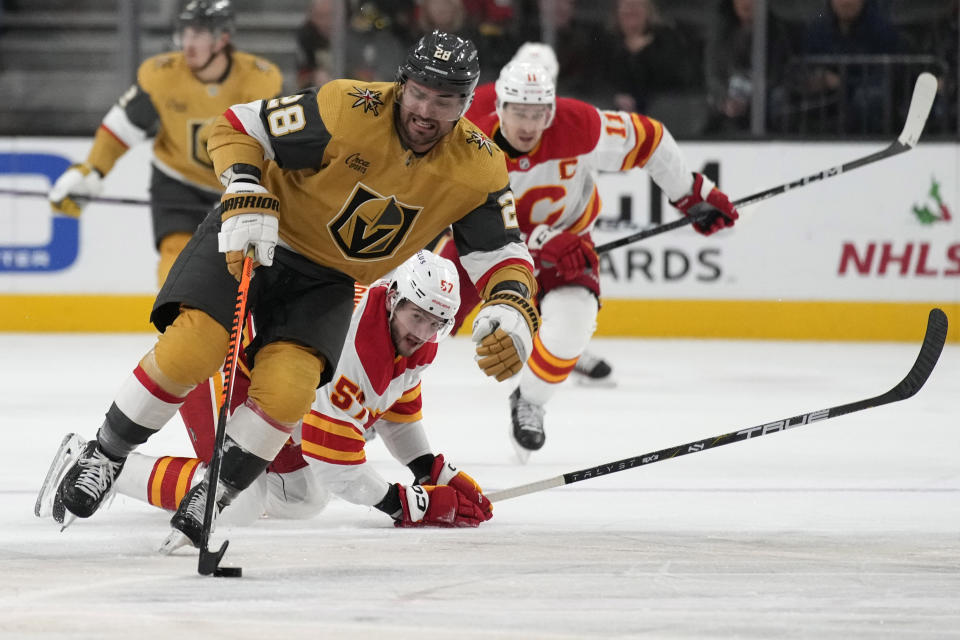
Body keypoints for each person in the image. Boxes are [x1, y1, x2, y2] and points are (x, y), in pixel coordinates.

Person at [47, 31, 538, 550]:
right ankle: (104, 454)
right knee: (196, 346)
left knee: (289, 389)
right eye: (418, 92)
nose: (425, 110)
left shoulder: (479, 166)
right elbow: (239, 126)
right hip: (259, 232)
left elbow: (503, 254)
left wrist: (511, 306)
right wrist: (244, 187)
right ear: (401, 84)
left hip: (327, 279)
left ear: (466, 104)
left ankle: (215, 494)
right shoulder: (348, 109)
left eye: (445, 101)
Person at [36, 252, 492, 544]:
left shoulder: (415, 341)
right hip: (231, 374)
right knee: (244, 502)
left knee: (303, 498)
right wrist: (404, 503)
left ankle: (210, 484)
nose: (422, 332)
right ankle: (99, 462)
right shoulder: (355, 337)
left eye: (436, 322)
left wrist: (429, 467)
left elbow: (395, 407)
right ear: (394, 299)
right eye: (417, 316)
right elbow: (332, 453)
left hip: (280, 390)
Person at [441, 61, 739, 461]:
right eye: (518, 113)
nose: (528, 125)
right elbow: (452, 207)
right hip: (482, 246)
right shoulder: (467, 133)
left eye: (538, 114)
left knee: (573, 323)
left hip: (566, 243)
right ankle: (378, 405)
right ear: (500, 108)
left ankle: (529, 400)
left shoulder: (578, 124)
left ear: (550, 111)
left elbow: (650, 139)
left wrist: (689, 192)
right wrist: (542, 240)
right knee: (427, 316)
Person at [47, 0, 284, 288]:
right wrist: (92, 170)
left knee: (249, 263)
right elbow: (122, 128)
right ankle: (174, 322)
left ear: (223, 38)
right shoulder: (163, 76)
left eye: (199, 34)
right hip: (178, 182)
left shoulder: (260, 80)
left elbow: (279, 139)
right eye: (185, 34)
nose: (188, 44)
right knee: (176, 254)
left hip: (240, 183)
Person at [597, 0, 701, 114]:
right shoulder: (605, 40)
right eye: (626, 6)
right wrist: (614, 97)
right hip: (613, 113)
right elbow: (595, 79)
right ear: (616, 12)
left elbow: (677, 79)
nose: (631, 9)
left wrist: (642, 52)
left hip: (660, 112)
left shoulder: (666, 38)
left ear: (648, 12)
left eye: (638, 6)